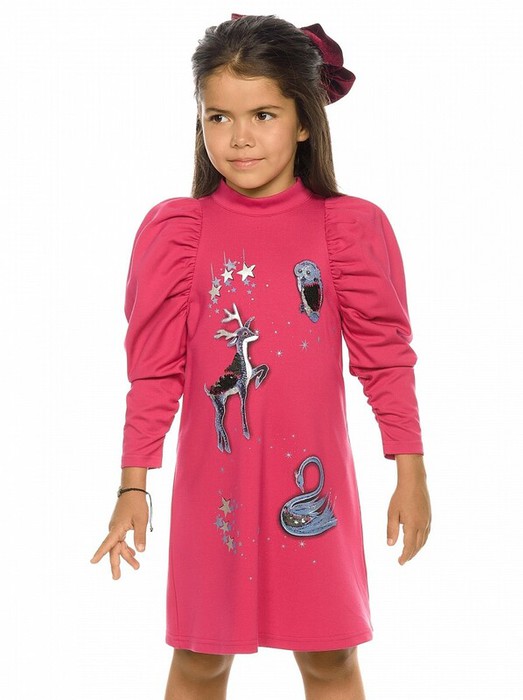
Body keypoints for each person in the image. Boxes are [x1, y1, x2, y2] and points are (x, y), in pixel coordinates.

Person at [90, 13, 431, 700]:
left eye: (263, 115)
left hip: (313, 490)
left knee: (330, 659)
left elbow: (385, 360)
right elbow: (153, 372)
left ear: (304, 120)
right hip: (211, 492)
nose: (239, 137)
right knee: (199, 660)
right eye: (218, 117)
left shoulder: (348, 229)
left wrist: (410, 469)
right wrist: (133, 486)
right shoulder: (178, 233)